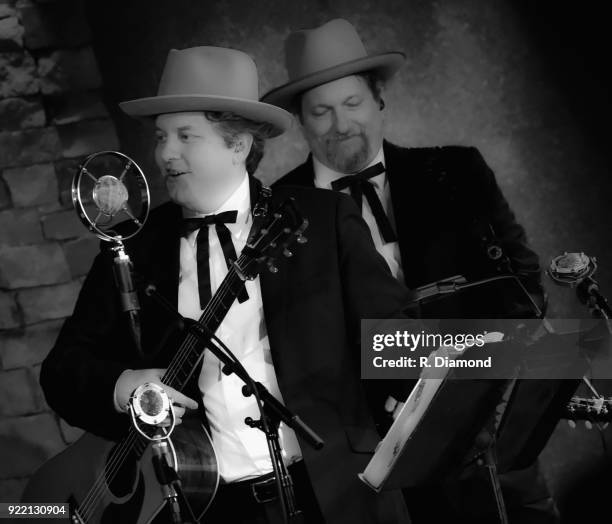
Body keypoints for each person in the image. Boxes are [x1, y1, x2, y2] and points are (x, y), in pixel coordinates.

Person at [40, 46, 416, 524]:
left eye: (185, 136)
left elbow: (395, 337)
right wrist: (123, 385)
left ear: (237, 144)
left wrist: (512, 351)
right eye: (161, 137)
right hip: (208, 509)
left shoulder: (319, 219)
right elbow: (61, 370)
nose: (164, 153)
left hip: (338, 496)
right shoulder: (136, 246)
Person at [262, 18, 557, 523]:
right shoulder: (276, 214)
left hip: (486, 431)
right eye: (321, 112)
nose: (340, 124)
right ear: (301, 121)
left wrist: (485, 386)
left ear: (379, 100)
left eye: (352, 104)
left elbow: (522, 285)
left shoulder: (457, 171)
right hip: (373, 459)